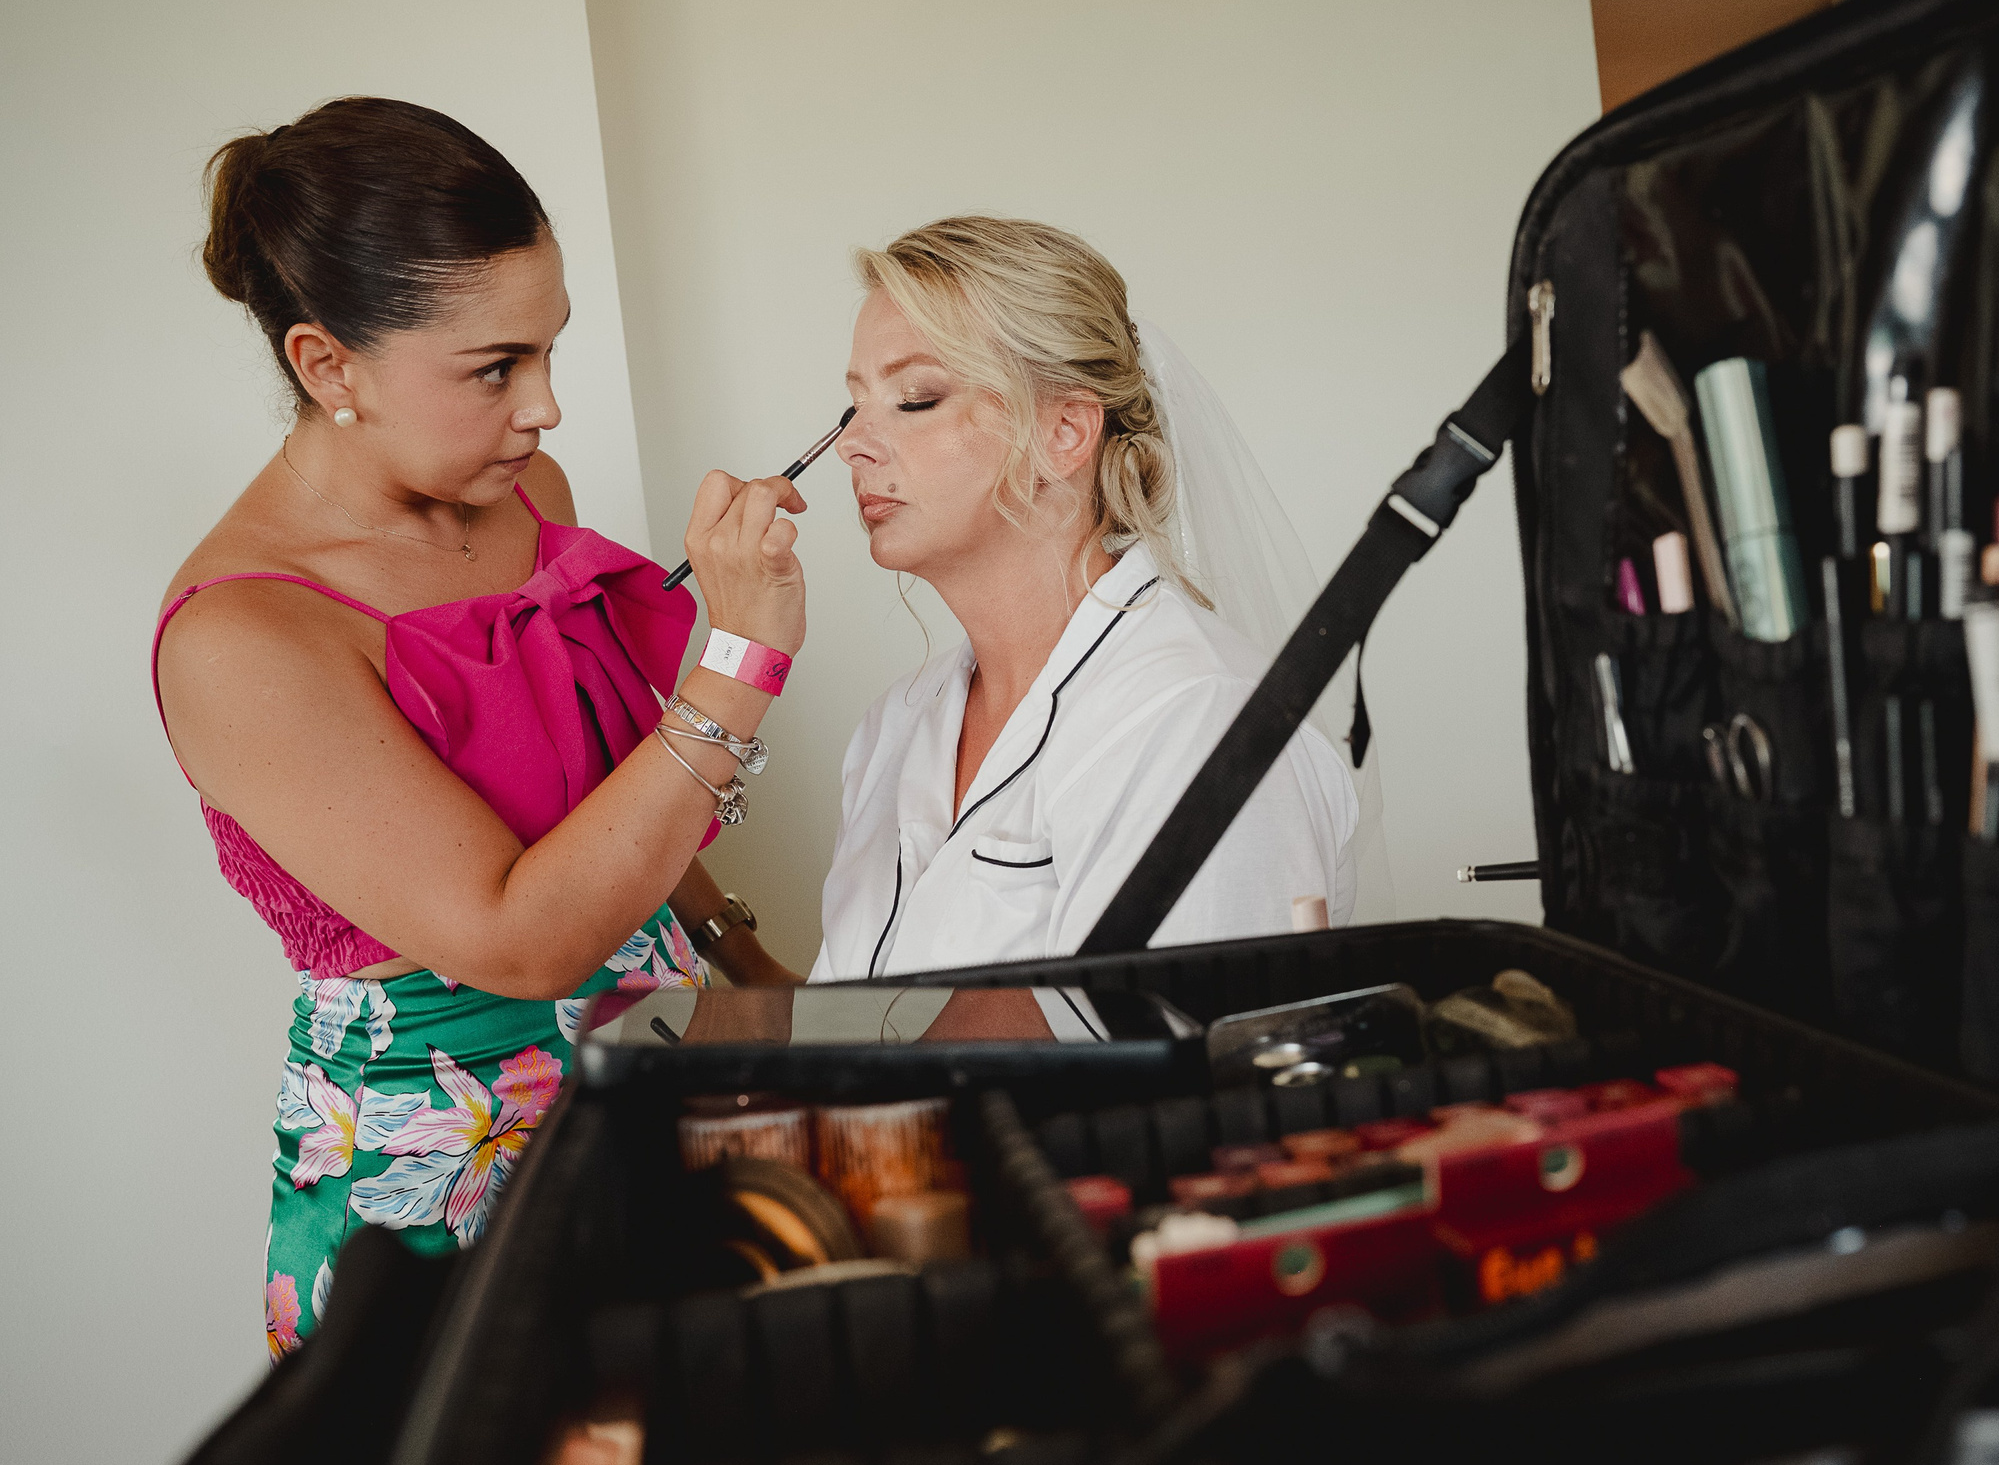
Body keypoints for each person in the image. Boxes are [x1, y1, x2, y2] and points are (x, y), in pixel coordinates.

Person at [153, 97, 808, 1358]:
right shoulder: (244, 638)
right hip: (441, 1157)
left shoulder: (522, 499)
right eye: (495, 368)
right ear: (325, 363)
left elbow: (612, 788)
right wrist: (735, 663)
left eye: (550, 351)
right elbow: (518, 942)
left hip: (657, 1056)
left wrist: (735, 951)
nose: (547, 410)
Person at [807, 218, 1365, 1021]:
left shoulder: (1194, 721)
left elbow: (1194, 1088)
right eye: (854, 404)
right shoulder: (895, 726)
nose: (852, 445)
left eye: (915, 398)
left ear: (1064, 431)